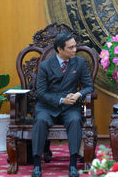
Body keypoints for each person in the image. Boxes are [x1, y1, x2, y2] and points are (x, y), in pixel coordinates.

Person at [31, 33, 94, 177]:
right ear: (60, 49)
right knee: (40, 121)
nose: (74, 50)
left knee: (75, 120)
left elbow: (89, 87)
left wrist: (79, 94)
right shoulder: (45, 65)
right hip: (47, 106)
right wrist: (61, 99)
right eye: (70, 47)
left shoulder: (79, 62)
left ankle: (72, 164)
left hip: (70, 106)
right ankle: (36, 165)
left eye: (75, 46)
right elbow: (41, 92)